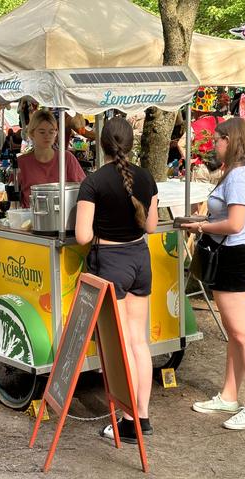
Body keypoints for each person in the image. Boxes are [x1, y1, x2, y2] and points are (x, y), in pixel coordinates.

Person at [182, 117, 245, 431]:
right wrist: (202, 219)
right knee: (236, 333)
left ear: (229, 140)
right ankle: (230, 395)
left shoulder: (238, 174)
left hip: (234, 256)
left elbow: (234, 224)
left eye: (217, 140)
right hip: (237, 254)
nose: (214, 145)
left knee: (244, 335)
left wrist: (201, 226)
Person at [75, 117, 158, 444]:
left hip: (111, 264)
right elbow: (151, 227)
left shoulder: (93, 182)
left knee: (122, 345)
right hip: (140, 259)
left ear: (101, 144)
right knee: (139, 343)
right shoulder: (146, 177)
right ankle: (142, 416)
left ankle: (128, 421)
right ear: (131, 144)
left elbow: (82, 236)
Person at [17, 110, 86, 208]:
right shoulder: (21, 162)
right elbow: (12, 195)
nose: (47, 136)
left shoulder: (66, 158)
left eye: (51, 132)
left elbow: (84, 188)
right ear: (32, 134)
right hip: (30, 218)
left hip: (63, 215)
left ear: (56, 133)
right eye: (42, 132)